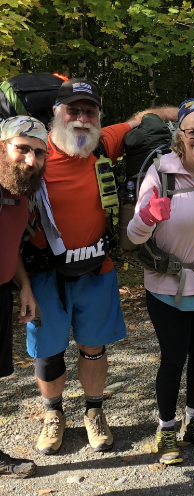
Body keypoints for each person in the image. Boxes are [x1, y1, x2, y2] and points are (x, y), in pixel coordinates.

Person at [25, 78, 177, 455]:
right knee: (49, 351)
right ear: (56, 114)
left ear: (98, 117)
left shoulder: (101, 144)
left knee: (94, 348)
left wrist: (191, 110)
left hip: (96, 268)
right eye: (73, 110)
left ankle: (94, 412)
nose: (81, 118)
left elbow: (143, 118)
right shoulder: (34, 152)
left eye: (89, 111)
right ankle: (53, 414)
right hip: (46, 273)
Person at [127, 98, 194, 465]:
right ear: (181, 134)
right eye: (193, 131)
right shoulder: (161, 172)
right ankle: (166, 427)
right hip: (166, 282)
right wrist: (147, 217)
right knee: (174, 357)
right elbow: (134, 235)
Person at [0, 116, 47, 477]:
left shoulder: (20, 194)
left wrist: (24, 286)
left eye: (38, 152)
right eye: (22, 149)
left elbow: (10, 245)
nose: (30, 160)